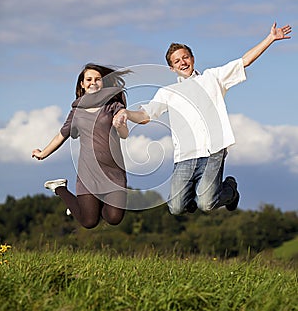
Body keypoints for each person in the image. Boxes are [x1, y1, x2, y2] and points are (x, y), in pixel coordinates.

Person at [113, 22, 292, 215]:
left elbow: (244, 62)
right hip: (185, 157)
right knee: (176, 207)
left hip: (212, 151)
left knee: (206, 203)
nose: (182, 62)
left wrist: (270, 39)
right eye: (177, 61)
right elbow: (146, 115)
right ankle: (195, 198)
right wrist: (127, 113)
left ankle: (230, 190)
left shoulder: (212, 78)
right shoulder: (167, 92)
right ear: (171, 68)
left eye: (185, 57)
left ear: (192, 58)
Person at [32, 63, 130, 229]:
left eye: (98, 79)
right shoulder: (76, 112)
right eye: (89, 79)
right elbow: (61, 136)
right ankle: (60, 188)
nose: (93, 82)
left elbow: (124, 133)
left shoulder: (113, 106)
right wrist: (43, 154)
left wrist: (120, 124)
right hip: (88, 172)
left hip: (113, 172)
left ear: (103, 83)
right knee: (89, 221)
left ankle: (82, 207)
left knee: (114, 218)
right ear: (82, 85)